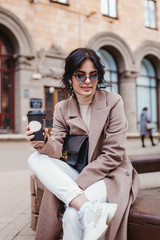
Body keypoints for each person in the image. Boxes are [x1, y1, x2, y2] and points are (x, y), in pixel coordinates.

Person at [26, 48, 139, 240]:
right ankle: (87, 208)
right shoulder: (62, 107)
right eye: (80, 75)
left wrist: (78, 185)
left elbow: (113, 154)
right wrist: (43, 142)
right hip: (77, 171)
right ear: (70, 78)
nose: (87, 81)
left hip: (109, 174)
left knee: (72, 213)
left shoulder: (113, 102)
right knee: (35, 159)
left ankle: (82, 206)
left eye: (93, 75)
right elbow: (57, 149)